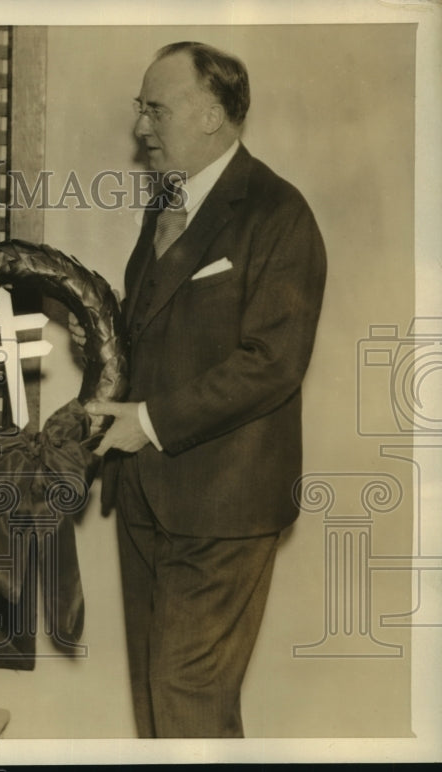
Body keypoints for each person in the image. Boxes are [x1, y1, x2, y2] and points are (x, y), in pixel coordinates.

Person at [85, 42, 327, 737]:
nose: (141, 129)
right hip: (144, 497)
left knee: (187, 704)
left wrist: (150, 421)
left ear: (213, 114)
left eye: (155, 110)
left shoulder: (280, 214)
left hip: (224, 506)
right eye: (140, 111)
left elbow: (273, 360)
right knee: (159, 711)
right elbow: (162, 330)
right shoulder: (165, 205)